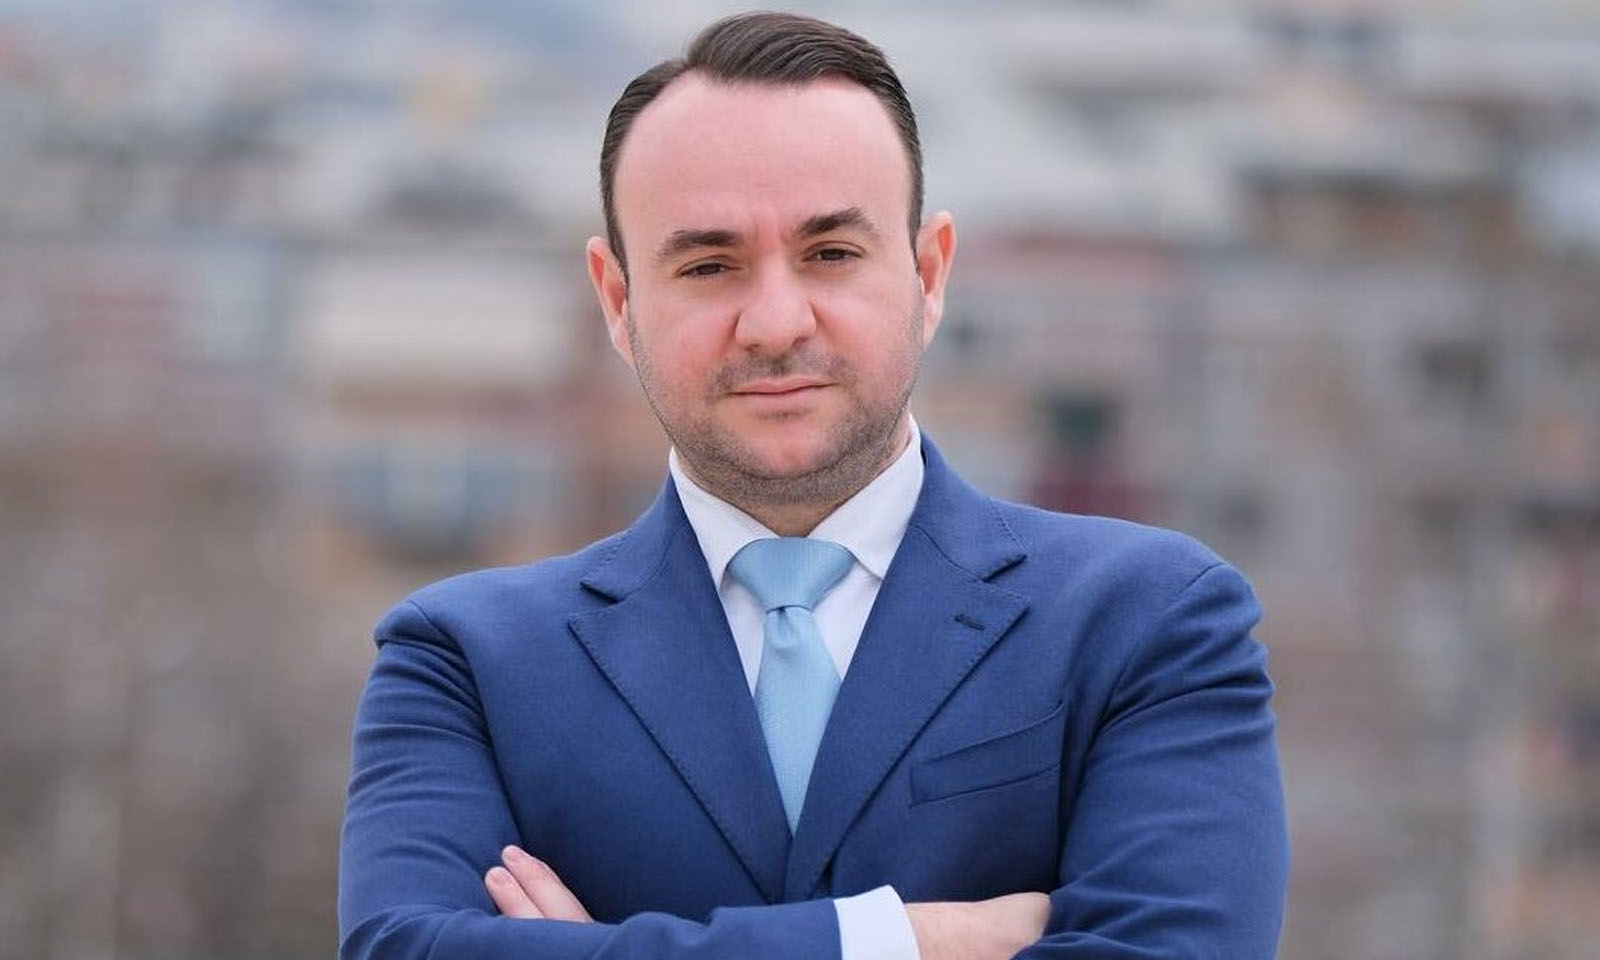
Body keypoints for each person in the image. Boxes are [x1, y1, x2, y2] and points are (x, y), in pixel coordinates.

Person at [337, 11, 1288, 960]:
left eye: (830, 254)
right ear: (618, 303)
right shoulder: (466, 663)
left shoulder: (1147, 622)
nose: (775, 323)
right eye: (710, 265)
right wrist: (894, 941)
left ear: (929, 274)